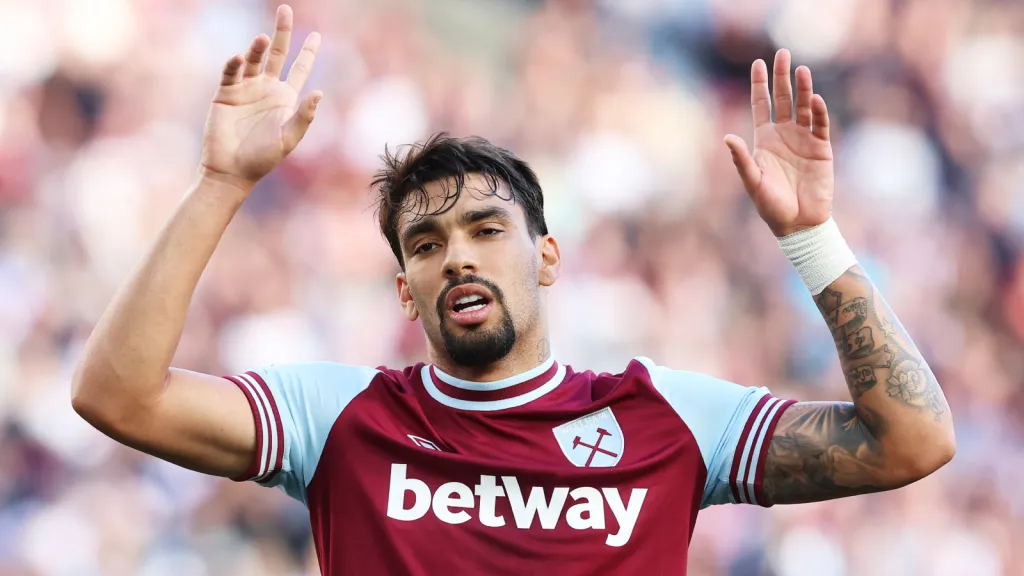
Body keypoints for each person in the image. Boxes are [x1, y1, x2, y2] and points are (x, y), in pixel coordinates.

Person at [70, 5, 955, 575]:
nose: (458, 256)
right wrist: (221, 184)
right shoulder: (337, 418)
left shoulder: (671, 420)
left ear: (548, 257)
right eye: (427, 243)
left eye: (487, 231)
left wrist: (809, 239)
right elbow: (117, 396)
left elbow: (910, 442)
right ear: (405, 292)